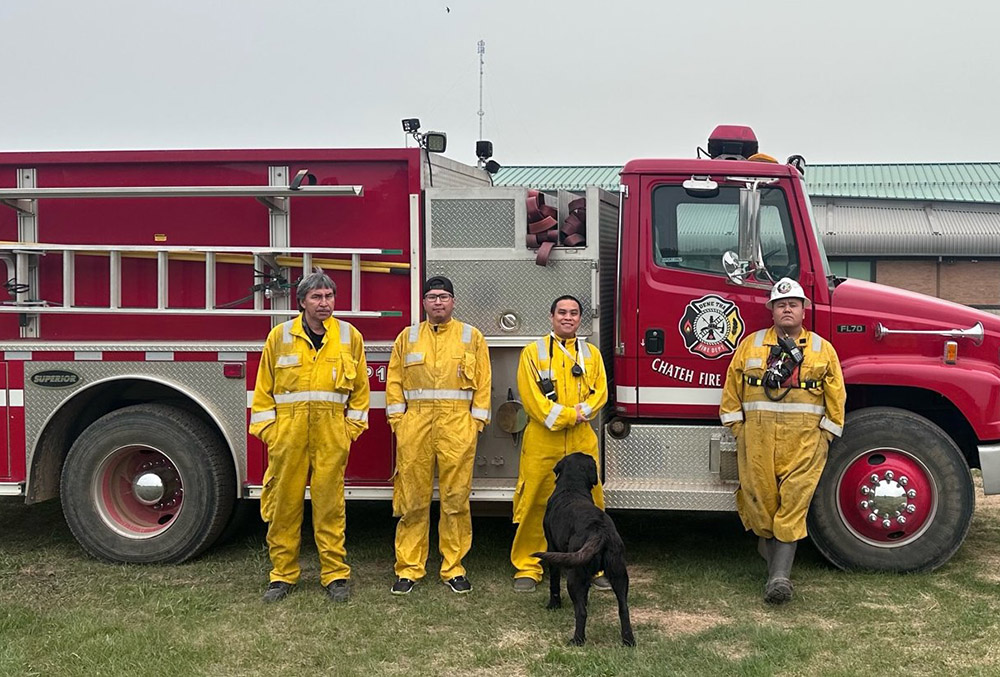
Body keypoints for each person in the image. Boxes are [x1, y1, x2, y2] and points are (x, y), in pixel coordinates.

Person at [719, 277, 846, 604]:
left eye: (793, 304)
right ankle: (771, 553)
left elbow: (836, 395)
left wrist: (828, 433)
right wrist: (738, 429)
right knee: (761, 503)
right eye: (780, 304)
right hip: (757, 440)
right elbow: (732, 388)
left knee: (793, 503)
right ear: (772, 311)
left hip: (804, 442)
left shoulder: (822, 349)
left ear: (804, 310)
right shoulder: (751, 344)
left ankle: (779, 579)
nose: (787, 309)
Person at [249, 269, 370, 603]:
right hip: (288, 433)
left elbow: (361, 392)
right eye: (316, 297)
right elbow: (263, 392)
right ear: (301, 301)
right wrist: (272, 433)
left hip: (332, 433)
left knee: (330, 506)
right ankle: (282, 575)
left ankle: (334, 575)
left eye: (329, 296)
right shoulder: (279, 336)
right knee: (284, 505)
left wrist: (349, 430)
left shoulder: (349, 337)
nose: (324, 303)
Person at [385, 276, 492, 595]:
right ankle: (409, 569)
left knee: (456, 500)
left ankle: (454, 568)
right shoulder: (408, 337)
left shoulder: (471, 336)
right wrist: (398, 421)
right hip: (415, 426)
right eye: (432, 297)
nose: (438, 302)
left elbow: (484, 383)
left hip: (457, 427)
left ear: (453, 301)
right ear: (423, 303)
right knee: (413, 500)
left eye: (444, 296)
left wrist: (475, 423)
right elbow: (393, 381)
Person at [510, 295, 610, 593]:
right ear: (551, 316)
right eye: (562, 312)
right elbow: (532, 401)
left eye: (574, 313)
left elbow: (600, 394)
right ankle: (528, 566)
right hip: (544, 439)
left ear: (581, 319)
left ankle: (594, 564)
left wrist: (581, 414)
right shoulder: (533, 352)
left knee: (591, 506)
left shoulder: (591, 354)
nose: (568, 318)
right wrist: (571, 415)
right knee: (535, 502)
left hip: (581, 440)